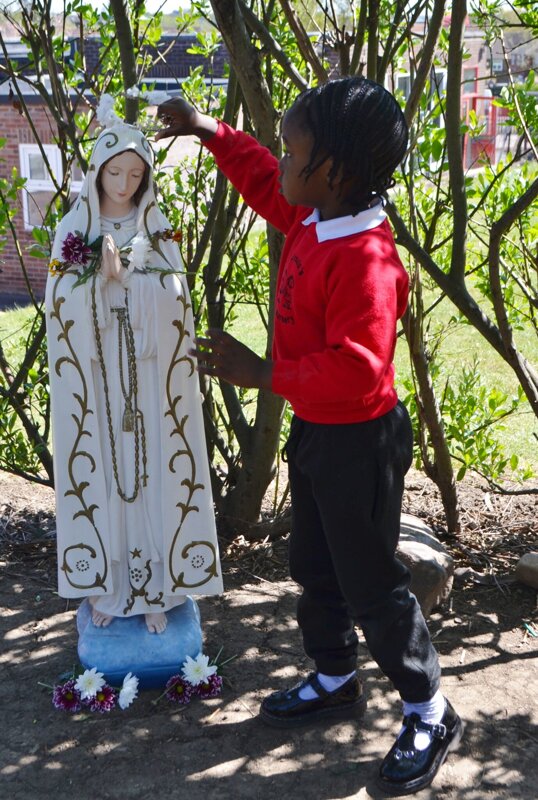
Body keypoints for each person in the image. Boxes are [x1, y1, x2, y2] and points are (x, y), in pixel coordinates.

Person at [156, 76, 463, 794]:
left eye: (292, 151)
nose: (281, 161)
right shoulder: (314, 214)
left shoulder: (368, 260)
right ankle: (335, 677)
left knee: (373, 587)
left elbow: (358, 372)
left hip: (361, 444)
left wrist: (267, 372)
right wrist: (207, 130)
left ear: (332, 171)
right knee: (314, 567)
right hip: (320, 434)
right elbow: (264, 180)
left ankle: (429, 709)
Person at [46, 112, 223, 635]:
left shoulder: (155, 228)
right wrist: (97, 285)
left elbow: (176, 300)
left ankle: (158, 588)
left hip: (146, 382)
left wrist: (128, 281)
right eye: (114, 173)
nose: (124, 186)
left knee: (152, 480)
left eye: (135, 175)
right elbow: (61, 306)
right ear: (97, 171)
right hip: (98, 383)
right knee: (105, 476)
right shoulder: (74, 231)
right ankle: (110, 585)